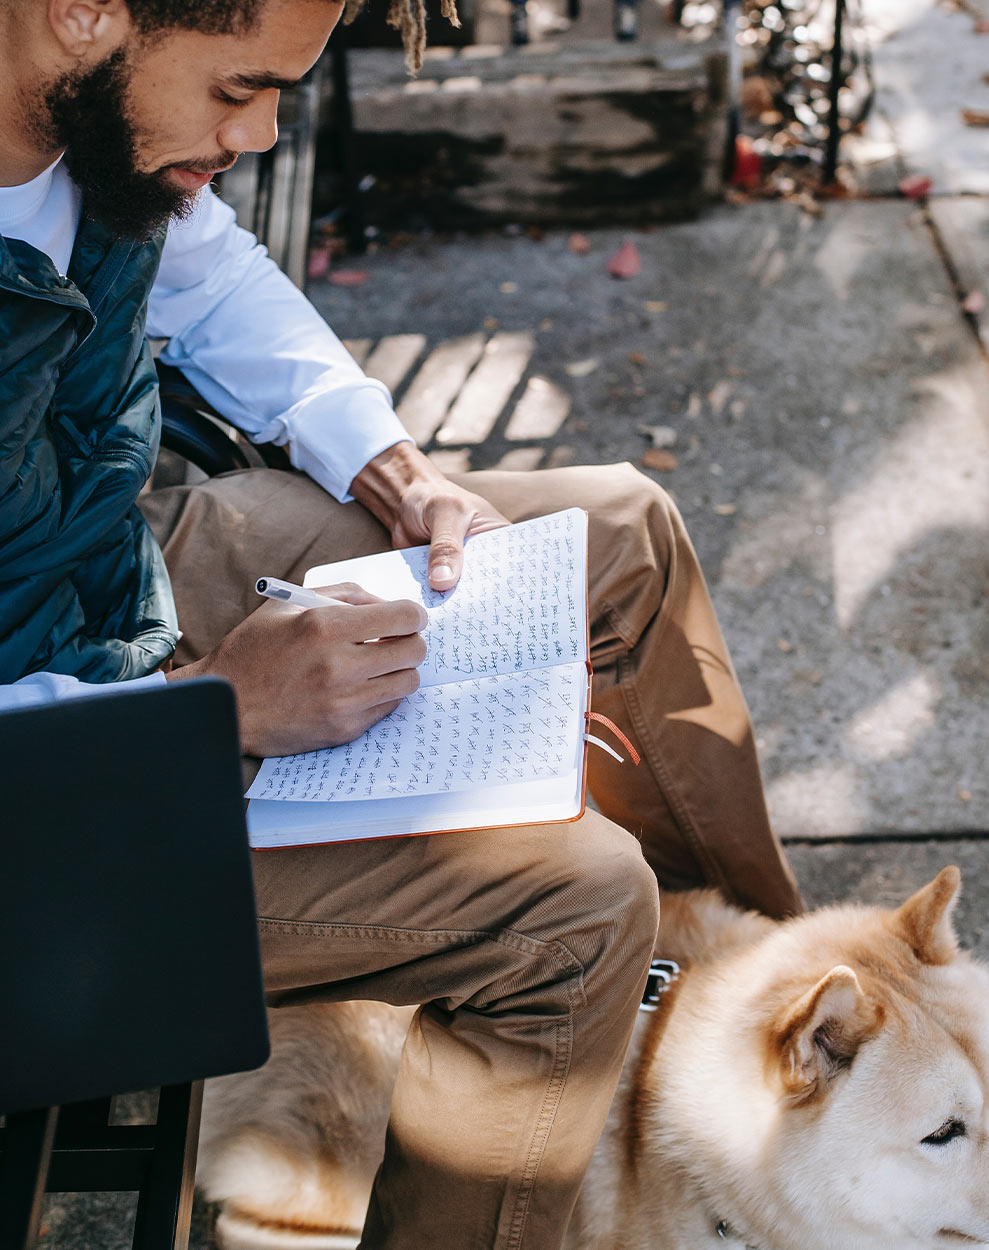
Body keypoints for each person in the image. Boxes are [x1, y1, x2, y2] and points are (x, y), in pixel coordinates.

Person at [0, 0, 801, 1246]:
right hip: (53, 810)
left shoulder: (83, 125)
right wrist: (214, 708)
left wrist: (399, 470)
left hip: (108, 573)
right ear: (83, 13)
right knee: (578, 905)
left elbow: (211, 285)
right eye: (238, 87)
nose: (259, 133)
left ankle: (768, 990)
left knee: (616, 533)